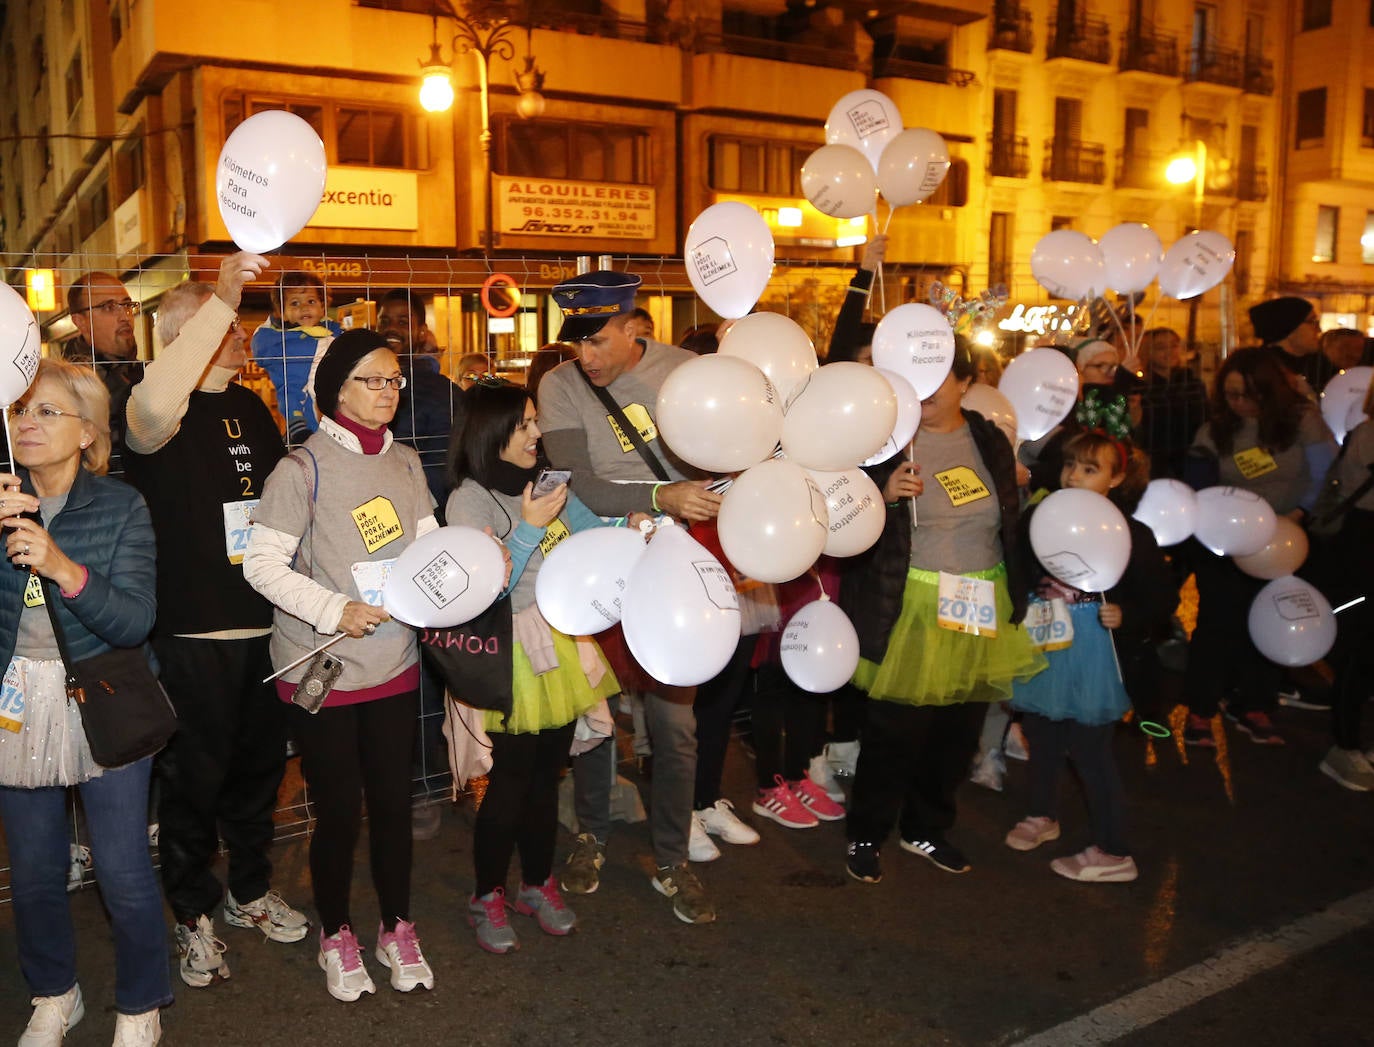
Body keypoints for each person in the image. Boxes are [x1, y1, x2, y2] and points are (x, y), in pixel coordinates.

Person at [122, 254, 309, 990]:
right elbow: (155, 404)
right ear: (186, 335)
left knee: (261, 774)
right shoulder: (152, 415)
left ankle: (252, 888)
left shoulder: (252, 408)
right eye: (229, 326)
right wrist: (220, 297)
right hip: (192, 636)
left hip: (267, 628)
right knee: (193, 784)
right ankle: (192, 910)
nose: (244, 336)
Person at [243, 329, 437, 1002]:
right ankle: (338, 931)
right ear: (337, 389)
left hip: (394, 661)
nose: (388, 392)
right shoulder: (300, 469)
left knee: (392, 804)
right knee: (337, 810)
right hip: (320, 670)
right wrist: (335, 609)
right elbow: (262, 564)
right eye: (373, 380)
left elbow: (427, 550)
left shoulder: (407, 462)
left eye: (394, 381)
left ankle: (396, 923)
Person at [537, 269, 722, 924]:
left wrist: (687, 501)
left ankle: (672, 858)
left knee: (675, 725)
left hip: (678, 563)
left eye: (597, 342)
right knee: (597, 713)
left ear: (634, 326)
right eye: (575, 344)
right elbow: (581, 483)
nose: (584, 358)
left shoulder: (685, 372)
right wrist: (659, 496)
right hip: (596, 559)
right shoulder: (558, 386)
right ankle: (592, 834)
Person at [0, 359, 169, 1046]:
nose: (27, 424)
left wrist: (62, 565)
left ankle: (140, 1001)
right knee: (34, 871)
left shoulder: (122, 505)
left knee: (123, 870)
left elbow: (134, 621)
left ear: (89, 432)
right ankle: (54, 992)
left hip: (105, 697)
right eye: (20, 412)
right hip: (16, 700)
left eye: (47, 412)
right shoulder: (3, 498)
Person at [842, 342, 1044, 884]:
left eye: (937, 378)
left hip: (982, 596)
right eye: (914, 377)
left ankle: (927, 827)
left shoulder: (987, 436)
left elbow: (1009, 515)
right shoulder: (886, 437)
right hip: (915, 600)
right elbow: (839, 507)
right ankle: (866, 833)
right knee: (895, 732)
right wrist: (880, 493)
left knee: (958, 730)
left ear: (965, 382)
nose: (924, 390)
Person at [445, 381, 622, 952]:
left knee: (548, 778)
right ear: (493, 431)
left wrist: (641, 528)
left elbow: (597, 531)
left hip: (559, 641)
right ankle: (486, 895)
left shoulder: (545, 485)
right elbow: (484, 591)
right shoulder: (468, 500)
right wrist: (527, 526)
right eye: (524, 424)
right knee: (510, 784)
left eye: (535, 422)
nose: (537, 433)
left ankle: (538, 883)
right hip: (509, 650)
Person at [1005, 430, 1174, 882]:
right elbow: (1019, 571)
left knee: (1089, 750)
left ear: (1117, 478)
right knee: (1041, 733)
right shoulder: (1040, 516)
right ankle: (1042, 814)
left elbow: (1162, 598)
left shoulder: (1130, 533)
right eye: (1070, 465)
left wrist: (1129, 613)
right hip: (1046, 640)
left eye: (1090, 468)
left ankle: (1113, 849)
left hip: (1097, 652)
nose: (1074, 475)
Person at [1181, 347, 1338, 747]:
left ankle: (1254, 704)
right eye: (1232, 395)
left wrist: (1300, 515)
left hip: (1285, 539)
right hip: (1227, 543)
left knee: (1270, 620)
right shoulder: (1215, 430)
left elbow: (1323, 473)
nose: (1240, 404)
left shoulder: (1303, 421)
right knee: (1217, 624)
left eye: (1249, 395)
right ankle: (1201, 707)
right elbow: (1199, 486)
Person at [1306, 381, 1374, 790]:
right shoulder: (1368, 433)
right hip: (1364, 545)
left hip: (1363, 541)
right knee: (1362, 647)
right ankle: (1345, 744)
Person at [376, 288, 464, 504]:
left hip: (426, 509)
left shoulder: (443, 393)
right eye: (384, 322)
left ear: (422, 332)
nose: (391, 329)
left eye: (403, 322)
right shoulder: (366, 386)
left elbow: (445, 466)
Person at [250, 269, 342, 444]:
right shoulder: (286, 344)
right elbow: (288, 389)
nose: (304, 307)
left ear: (323, 306)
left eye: (311, 301)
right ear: (281, 312)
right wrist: (297, 424)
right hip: (308, 424)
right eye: (294, 303)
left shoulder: (329, 331)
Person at [65, 272, 144, 473]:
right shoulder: (63, 385)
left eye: (127, 305)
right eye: (109, 307)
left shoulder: (148, 375)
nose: (124, 316)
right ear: (80, 322)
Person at [1132, 327, 1209, 480]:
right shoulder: (1139, 387)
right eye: (1160, 347)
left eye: (1174, 345)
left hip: (1192, 460)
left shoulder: (1192, 383)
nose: (1169, 352)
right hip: (1155, 464)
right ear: (1147, 351)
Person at [1249, 296, 1330, 397]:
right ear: (1289, 328)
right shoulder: (1259, 369)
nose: (1319, 329)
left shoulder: (1323, 365)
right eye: (1312, 322)